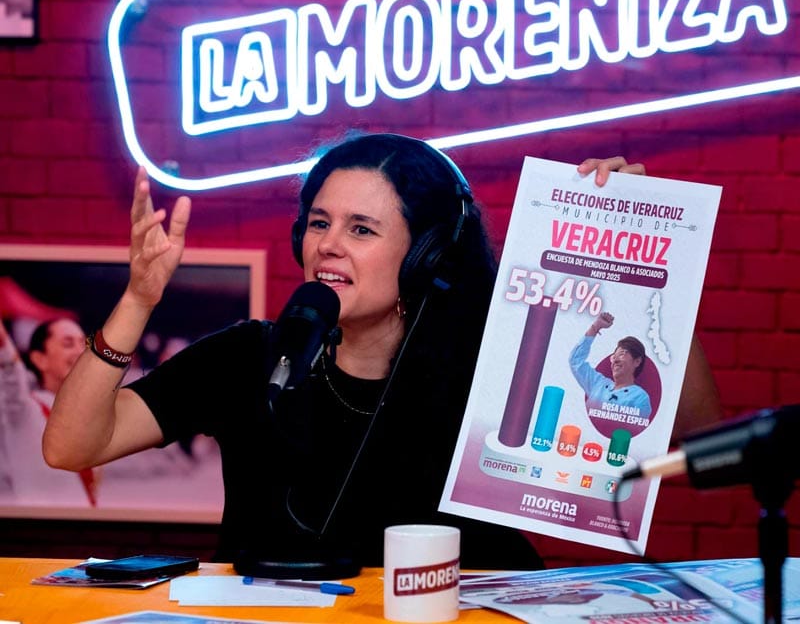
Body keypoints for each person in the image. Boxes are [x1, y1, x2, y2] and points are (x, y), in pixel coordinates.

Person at [42, 133, 721, 570]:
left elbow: (688, 436)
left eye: (361, 229)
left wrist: (641, 285)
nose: (328, 245)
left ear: (426, 256)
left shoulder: (495, 364)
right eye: (319, 223)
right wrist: (138, 300)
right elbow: (72, 446)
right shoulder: (251, 357)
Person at [0, 317, 98, 506]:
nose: (81, 351)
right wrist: (3, 343)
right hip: (41, 523)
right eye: (68, 344)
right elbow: (11, 376)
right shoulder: (23, 411)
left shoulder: (86, 416)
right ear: (40, 359)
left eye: (83, 343)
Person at [570, 312, 652, 420]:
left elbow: (635, 427)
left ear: (637, 361)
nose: (616, 360)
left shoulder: (640, 398)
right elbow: (575, 361)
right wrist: (596, 327)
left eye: (622, 354)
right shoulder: (598, 384)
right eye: (614, 356)